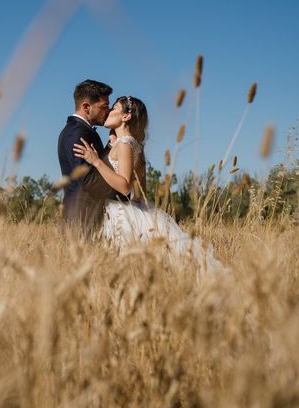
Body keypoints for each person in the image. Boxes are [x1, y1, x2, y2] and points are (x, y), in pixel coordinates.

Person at [73, 95, 224, 272]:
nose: (108, 112)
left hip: (119, 214)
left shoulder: (124, 145)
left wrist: (97, 161)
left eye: (113, 108)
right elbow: (140, 192)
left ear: (126, 116)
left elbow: (124, 186)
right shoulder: (133, 145)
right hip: (135, 210)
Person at [57, 79, 128, 232]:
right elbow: (89, 180)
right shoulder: (77, 133)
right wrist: (124, 193)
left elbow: (96, 165)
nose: (108, 111)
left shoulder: (81, 131)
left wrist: (110, 145)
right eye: (104, 106)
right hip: (83, 218)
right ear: (86, 107)